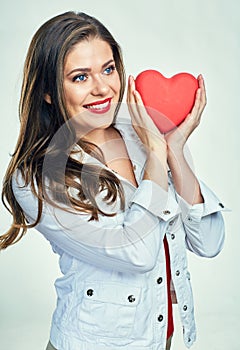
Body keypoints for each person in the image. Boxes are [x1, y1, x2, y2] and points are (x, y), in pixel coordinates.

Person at [0, 11, 226, 350]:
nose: (103, 88)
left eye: (108, 69)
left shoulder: (139, 135)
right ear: (48, 91)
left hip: (160, 339)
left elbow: (209, 242)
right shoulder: (36, 177)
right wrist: (155, 154)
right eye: (80, 77)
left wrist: (173, 148)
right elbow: (138, 254)